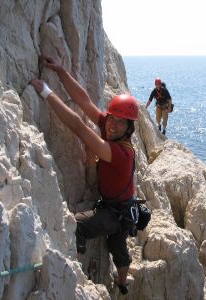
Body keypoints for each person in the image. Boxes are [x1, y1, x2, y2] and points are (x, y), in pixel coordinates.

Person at [31, 55, 138, 295]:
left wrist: (47, 92)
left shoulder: (121, 152)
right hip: (118, 206)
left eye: (120, 123)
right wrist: (61, 72)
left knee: (82, 227)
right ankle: (121, 280)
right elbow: (85, 101)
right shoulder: (109, 129)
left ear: (129, 129)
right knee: (117, 244)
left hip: (117, 212)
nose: (112, 125)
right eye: (111, 118)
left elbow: (79, 127)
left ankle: (80, 278)